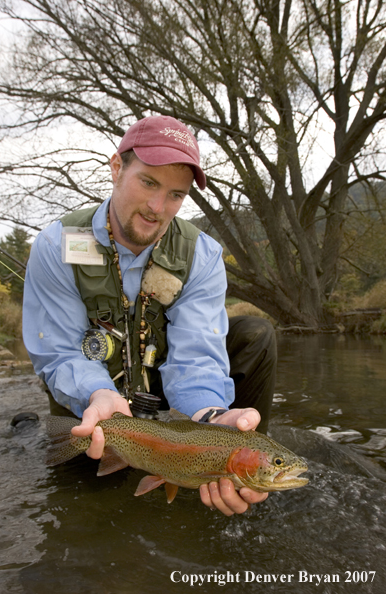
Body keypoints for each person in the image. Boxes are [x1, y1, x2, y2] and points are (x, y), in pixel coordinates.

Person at [23, 115, 277, 516]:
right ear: (116, 168)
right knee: (82, 505)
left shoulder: (203, 255)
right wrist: (97, 393)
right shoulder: (57, 245)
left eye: (176, 195)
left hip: (162, 386)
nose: (158, 208)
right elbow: (57, 350)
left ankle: (243, 476)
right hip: (92, 398)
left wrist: (210, 417)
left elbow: (196, 354)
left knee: (256, 334)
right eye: (148, 183)